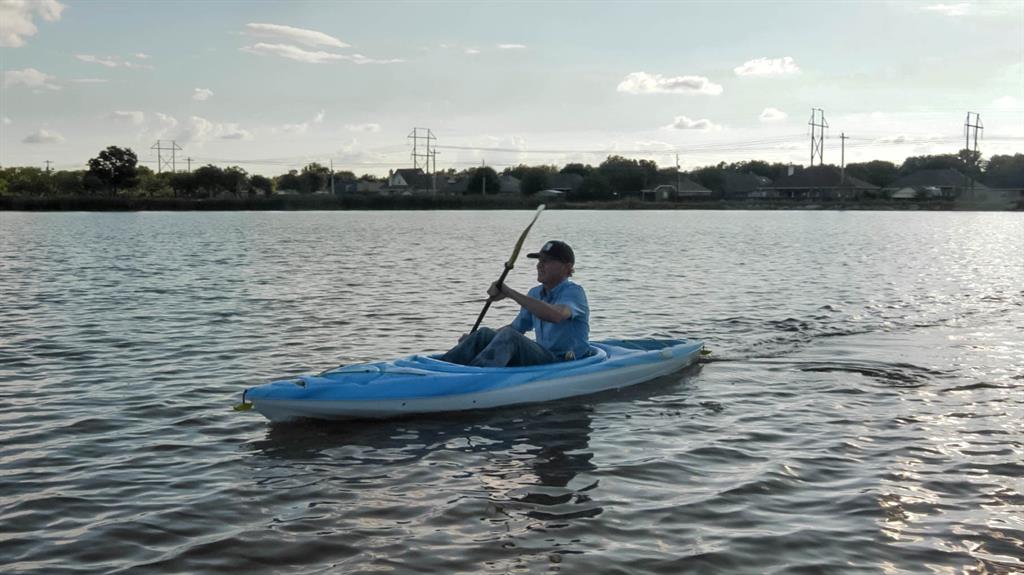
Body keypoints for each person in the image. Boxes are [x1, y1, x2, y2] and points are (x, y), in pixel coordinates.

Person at [440, 240, 590, 368]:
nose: (539, 265)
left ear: (566, 267)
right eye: (539, 260)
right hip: (543, 357)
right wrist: (475, 340)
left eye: (546, 261)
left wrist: (509, 293)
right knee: (484, 333)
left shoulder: (574, 292)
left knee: (509, 337)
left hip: (564, 362)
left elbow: (556, 315)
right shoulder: (535, 293)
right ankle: (440, 368)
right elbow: (516, 328)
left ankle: (473, 377)